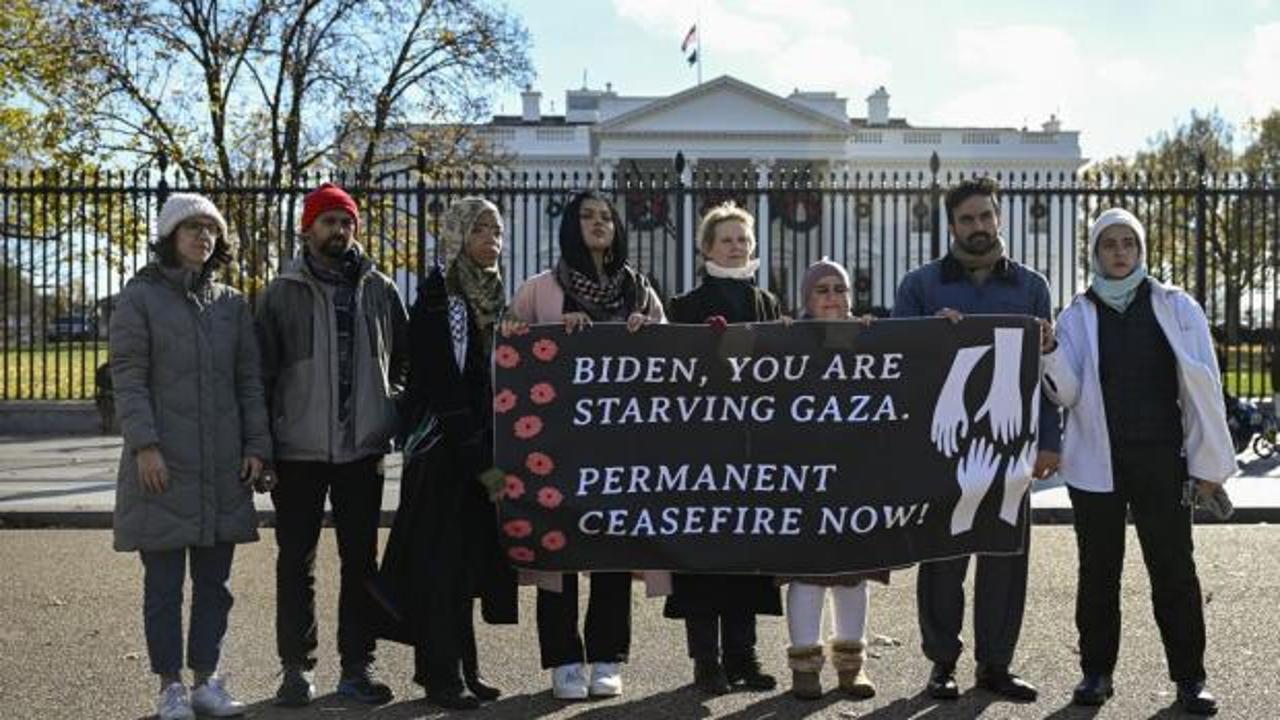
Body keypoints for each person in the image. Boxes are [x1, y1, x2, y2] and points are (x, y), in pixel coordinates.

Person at [1041, 208, 1233, 715]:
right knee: (1097, 571)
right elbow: (1067, 393)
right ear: (1096, 253)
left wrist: (1209, 463)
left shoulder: (1176, 306)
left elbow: (1204, 387)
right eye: (1110, 244)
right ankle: (1097, 673)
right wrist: (1051, 351)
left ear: (1141, 249)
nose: (1120, 252)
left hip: (1162, 460)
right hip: (1096, 464)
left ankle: (1190, 678)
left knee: (1173, 570)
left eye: (1128, 242)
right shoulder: (1076, 314)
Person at [892, 177, 1060, 702]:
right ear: (952, 226)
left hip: (1012, 442)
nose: (978, 227)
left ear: (999, 219)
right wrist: (930, 335)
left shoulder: (1032, 286)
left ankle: (996, 665)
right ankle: (941, 663)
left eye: (986, 217)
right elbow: (901, 364)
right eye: (967, 219)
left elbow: (1045, 371)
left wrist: (1050, 440)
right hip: (946, 442)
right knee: (942, 557)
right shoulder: (920, 287)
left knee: (1005, 558)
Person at [110, 193, 271, 720]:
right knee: (162, 587)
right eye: (192, 228)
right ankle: (169, 688)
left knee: (215, 586)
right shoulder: (139, 298)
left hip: (223, 466)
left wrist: (256, 447)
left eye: (210, 229)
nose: (204, 236)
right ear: (169, 237)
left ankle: (207, 683)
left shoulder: (231, 303)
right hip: (161, 464)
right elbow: (128, 378)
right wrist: (146, 446)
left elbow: (250, 381)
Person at [504, 190, 666, 700]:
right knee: (560, 548)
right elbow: (508, 350)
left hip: (621, 442)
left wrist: (648, 331)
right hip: (554, 444)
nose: (599, 224)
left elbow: (671, 361)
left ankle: (606, 655)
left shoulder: (639, 291)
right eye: (588, 217)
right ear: (571, 227)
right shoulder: (539, 289)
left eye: (606, 218)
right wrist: (554, 332)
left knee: (613, 547)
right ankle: (564, 658)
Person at [256, 182, 408, 707]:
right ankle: (296, 668)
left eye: (347, 222)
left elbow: (403, 360)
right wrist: (263, 445)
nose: (339, 231)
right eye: (329, 221)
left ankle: (357, 667)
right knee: (295, 560)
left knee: (360, 562)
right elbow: (260, 375)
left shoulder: (379, 289)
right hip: (296, 449)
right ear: (308, 228)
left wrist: (389, 406)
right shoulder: (280, 292)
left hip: (361, 449)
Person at [376, 197, 517, 710]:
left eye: (497, 231)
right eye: (480, 230)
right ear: (457, 235)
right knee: (439, 566)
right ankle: (441, 674)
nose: (491, 240)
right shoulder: (443, 297)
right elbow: (446, 386)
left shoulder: (488, 294)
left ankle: (464, 666)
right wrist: (481, 462)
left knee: (463, 566)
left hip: (470, 448)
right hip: (442, 451)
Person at [664, 201, 782, 696]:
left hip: (750, 449)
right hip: (700, 451)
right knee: (701, 558)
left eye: (743, 239)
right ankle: (706, 661)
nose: (736, 246)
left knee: (745, 557)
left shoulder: (767, 303)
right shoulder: (685, 305)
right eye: (726, 239)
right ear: (707, 247)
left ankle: (744, 655)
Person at [781, 258, 886, 701]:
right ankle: (804, 665)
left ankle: (851, 666)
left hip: (855, 473)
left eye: (839, 289)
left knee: (852, 576)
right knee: (805, 574)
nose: (831, 297)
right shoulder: (786, 339)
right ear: (807, 299)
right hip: (801, 473)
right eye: (821, 290)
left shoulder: (869, 337)